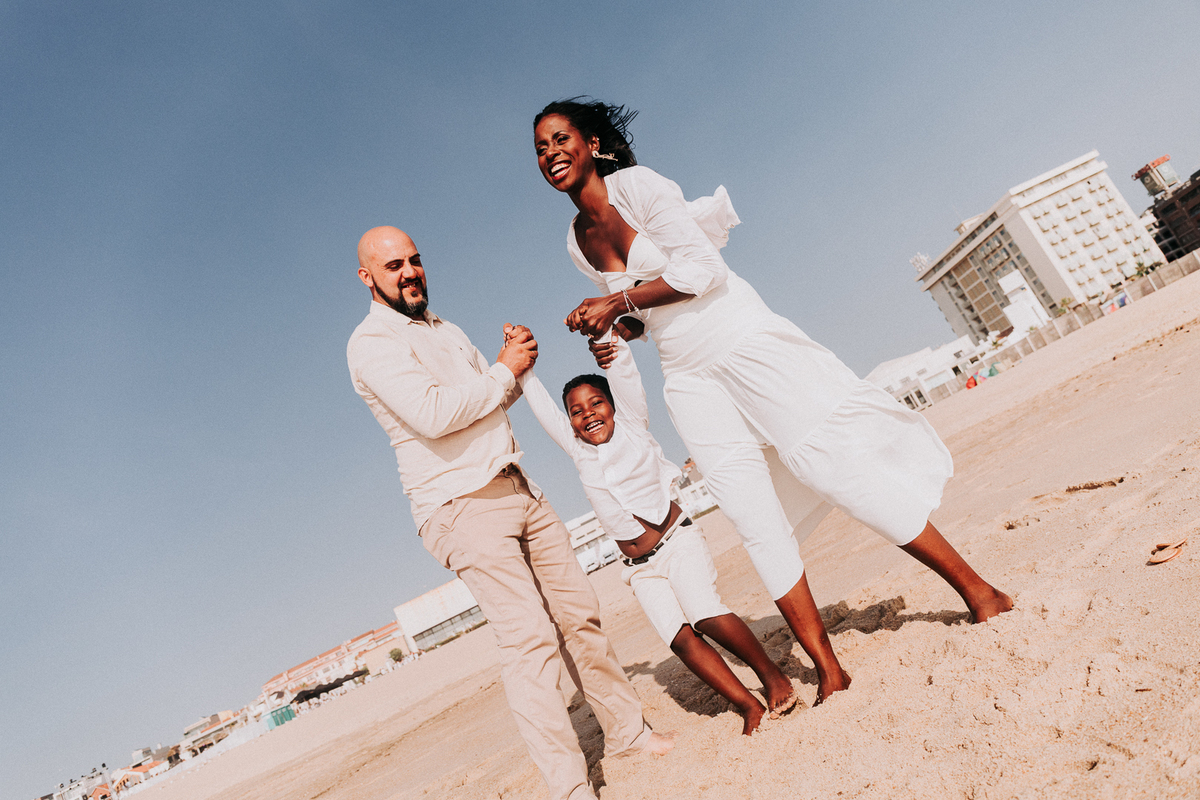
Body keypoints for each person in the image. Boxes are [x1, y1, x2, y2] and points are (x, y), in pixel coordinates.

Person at [532, 98, 1013, 705]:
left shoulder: (641, 187)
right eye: (540, 148)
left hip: (741, 338)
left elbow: (702, 271)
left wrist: (617, 304)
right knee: (751, 517)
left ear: (593, 143)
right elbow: (646, 313)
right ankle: (828, 668)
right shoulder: (576, 242)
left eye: (559, 138)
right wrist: (613, 329)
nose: (550, 152)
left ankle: (979, 592)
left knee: (831, 463)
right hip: (685, 375)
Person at [346, 226, 672, 800]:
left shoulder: (447, 330)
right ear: (367, 277)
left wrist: (518, 360)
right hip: (458, 504)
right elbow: (434, 414)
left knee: (581, 617)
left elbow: (495, 395)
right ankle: (569, 787)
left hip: (516, 483)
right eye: (394, 265)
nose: (410, 272)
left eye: (416, 261)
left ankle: (627, 734)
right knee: (529, 640)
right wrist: (502, 368)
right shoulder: (370, 343)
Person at [520, 334, 796, 735]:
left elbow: (624, 374)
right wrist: (524, 367)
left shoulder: (633, 423)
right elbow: (544, 409)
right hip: (639, 568)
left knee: (705, 615)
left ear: (613, 406)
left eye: (596, 403)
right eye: (576, 412)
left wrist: (607, 340)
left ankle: (773, 677)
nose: (588, 414)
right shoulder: (579, 451)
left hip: (676, 542)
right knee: (680, 639)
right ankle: (746, 704)